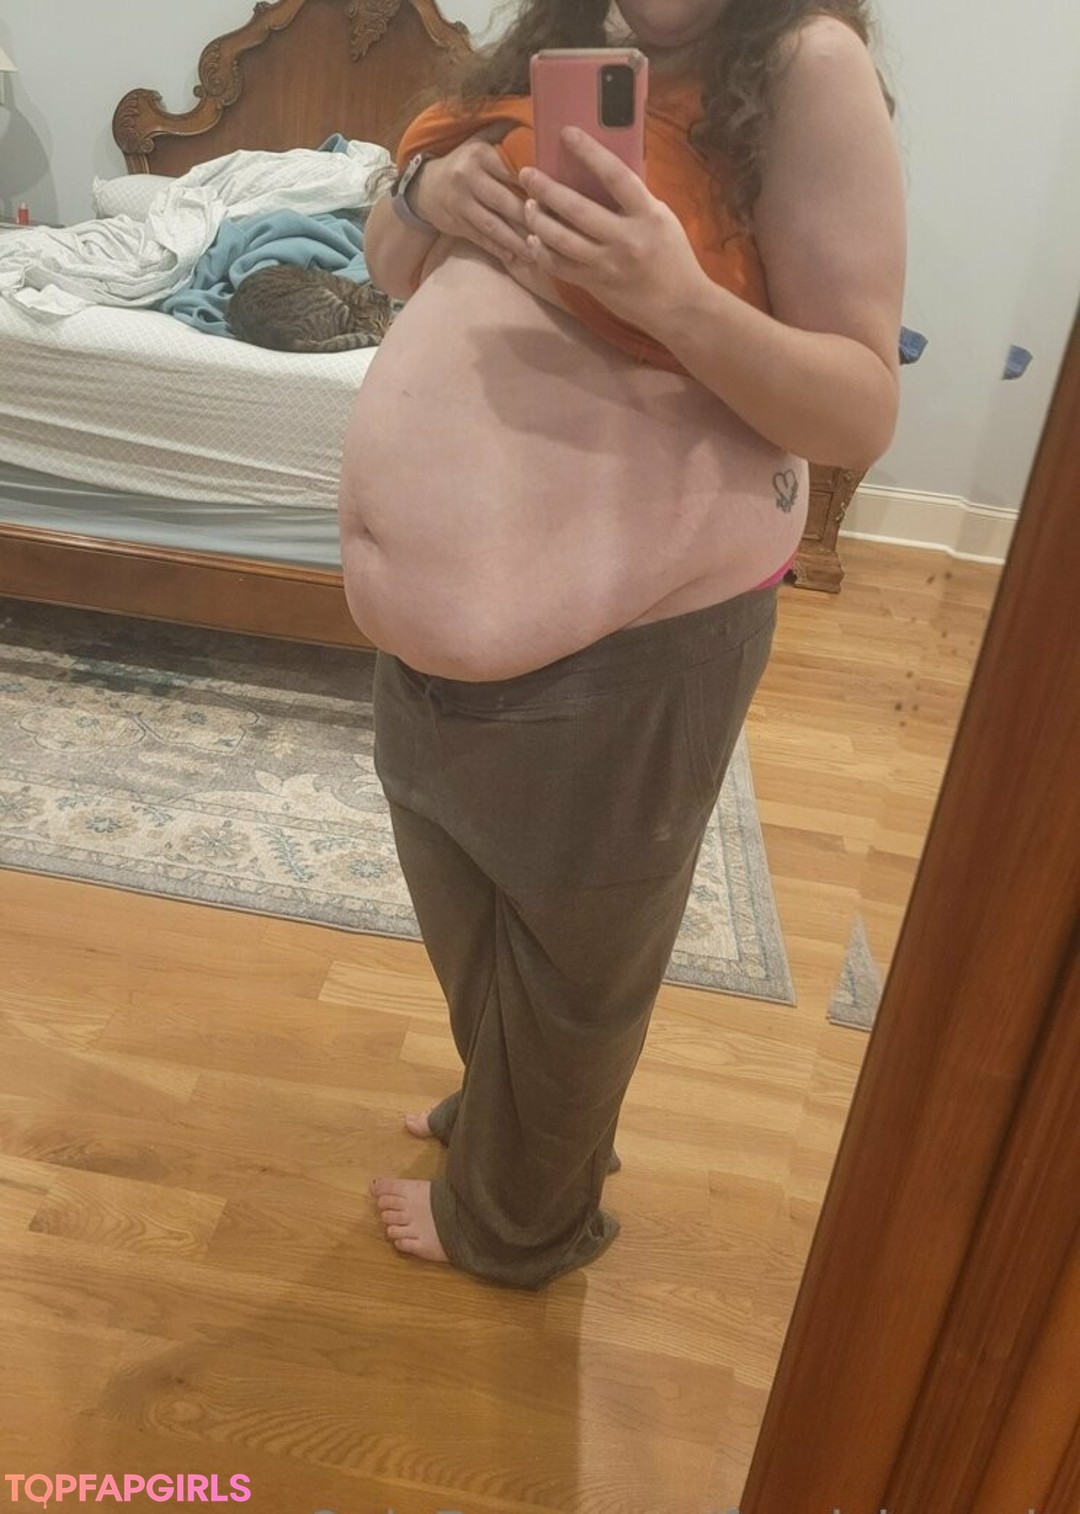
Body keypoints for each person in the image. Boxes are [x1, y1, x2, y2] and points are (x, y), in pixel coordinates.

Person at [337, 0, 905, 1288]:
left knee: (574, 969)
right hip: (431, 649)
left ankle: (519, 1226)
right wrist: (429, 192)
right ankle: (511, 1122)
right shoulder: (560, 39)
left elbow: (860, 408)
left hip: (633, 643)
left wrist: (675, 298)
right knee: (474, 924)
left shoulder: (809, 66)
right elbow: (389, 261)